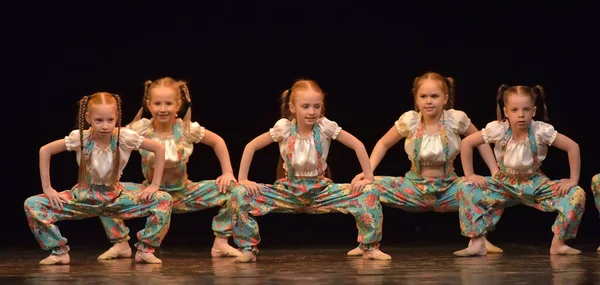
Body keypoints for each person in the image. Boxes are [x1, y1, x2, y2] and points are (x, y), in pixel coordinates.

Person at [229, 79, 391, 262]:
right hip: (288, 191)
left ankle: (369, 247)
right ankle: (248, 249)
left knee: (369, 191)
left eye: (316, 106)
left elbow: (357, 145)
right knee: (239, 193)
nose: (312, 112)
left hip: (320, 191)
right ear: (292, 107)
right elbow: (251, 146)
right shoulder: (284, 128)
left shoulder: (325, 127)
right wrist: (243, 179)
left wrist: (368, 177)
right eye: (305, 106)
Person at [346, 72, 502, 256]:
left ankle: (479, 238)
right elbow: (383, 143)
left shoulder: (455, 119)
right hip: (414, 188)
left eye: (434, 96)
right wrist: (368, 172)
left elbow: (481, 141)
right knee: (365, 187)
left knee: (498, 187)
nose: (429, 101)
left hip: (449, 188)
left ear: (445, 98)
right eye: (424, 96)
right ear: (416, 98)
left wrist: (495, 172)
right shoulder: (410, 121)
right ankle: (367, 243)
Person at [97, 77, 240, 260]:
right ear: (149, 104)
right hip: (150, 194)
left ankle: (221, 244)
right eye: (157, 103)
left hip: (184, 193)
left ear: (178, 104)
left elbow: (217, 141)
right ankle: (120, 244)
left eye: (168, 103)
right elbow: (113, 137)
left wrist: (227, 172)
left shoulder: (186, 129)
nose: (163, 109)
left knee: (234, 190)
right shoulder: (140, 129)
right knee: (103, 192)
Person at [24, 92, 172, 265]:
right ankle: (58, 251)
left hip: (115, 197)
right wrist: (48, 188)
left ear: (116, 116)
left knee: (164, 200)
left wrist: (154, 185)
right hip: (84, 197)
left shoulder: (124, 137)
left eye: (110, 120)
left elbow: (159, 149)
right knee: (32, 204)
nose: (105, 126)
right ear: (88, 118)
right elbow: (45, 150)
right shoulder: (80, 138)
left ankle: (145, 250)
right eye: (99, 120)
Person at [453, 84, 585, 256]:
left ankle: (558, 243)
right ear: (506, 112)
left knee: (577, 193)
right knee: (465, 187)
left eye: (526, 109)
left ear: (534, 111)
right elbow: (467, 143)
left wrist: (573, 179)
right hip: (504, 182)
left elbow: (572, 147)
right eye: (515, 110)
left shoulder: (540, 131)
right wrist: (470, 174)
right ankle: (478, 242)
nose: (521, 115)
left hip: (534, 183)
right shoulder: (499, 129)